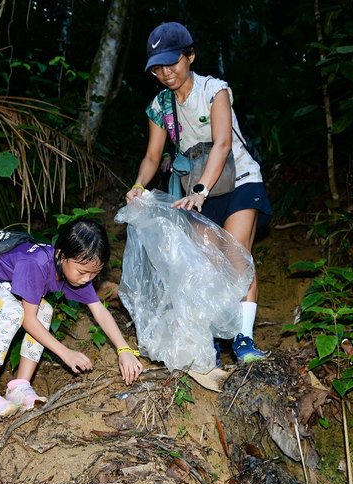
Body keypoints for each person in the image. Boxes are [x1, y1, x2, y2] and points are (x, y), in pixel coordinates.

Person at [125, 21, 273, 364]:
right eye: (158, 67)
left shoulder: (214, 91)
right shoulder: (160, 106)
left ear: (189, 56)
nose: (166, 73)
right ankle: (213, 340)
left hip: (239, 180)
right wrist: (137, 186)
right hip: (195, 190)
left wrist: (201, 191)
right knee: (206, 266)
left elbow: (222, 144)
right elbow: (152, 156)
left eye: (171, 62)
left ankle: (244, 340)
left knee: (237, 258)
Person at [0, 219, 144, 421]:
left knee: (44, 310)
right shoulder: (37, 263)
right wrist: (66, 353)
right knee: (14, 313)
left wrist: (123, 349)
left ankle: (19, 387)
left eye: (95, 274)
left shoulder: (75, 273)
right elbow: (28, 321)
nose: (87, 279)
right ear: (61, 255)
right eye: (82, 272)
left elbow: (99, 310)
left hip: (6, 282)